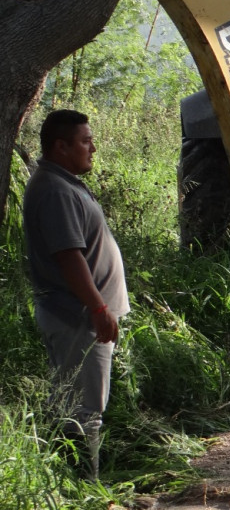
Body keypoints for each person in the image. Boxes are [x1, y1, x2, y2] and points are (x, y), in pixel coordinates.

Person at [23, 109, 130, 480]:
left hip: (82, 315)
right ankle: (85, 490)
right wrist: (99, 307)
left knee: (78, 406)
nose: (93, 148)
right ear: (61, 146)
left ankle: (74, 484)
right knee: (83, 411)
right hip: (77, 317)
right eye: (85, 141)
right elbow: (68, 256)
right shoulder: (54, 190)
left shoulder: (61, 183)